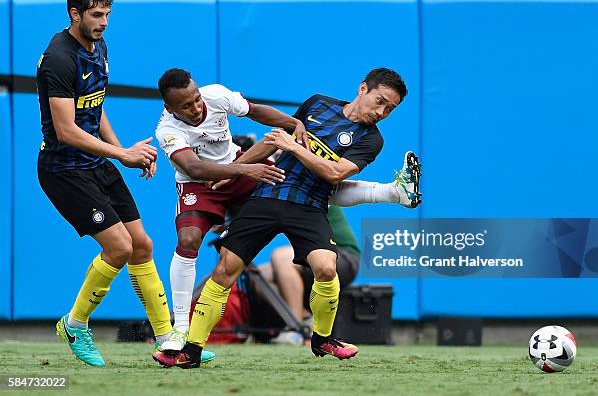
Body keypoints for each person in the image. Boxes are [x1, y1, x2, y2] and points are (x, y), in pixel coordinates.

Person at [152, 67, 412, 368]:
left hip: (310, 204)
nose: (382, 112)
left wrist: (292, 147)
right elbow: (273, 140)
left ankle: (322, 338)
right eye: (380, 101)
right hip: (269, 192)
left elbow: (335, 173)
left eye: (390, 109)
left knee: (327, 267)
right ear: (363, 89)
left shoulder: (372, 140)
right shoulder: (318, 103)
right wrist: (236, 171)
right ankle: (191, 348)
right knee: (225, 269)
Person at [36, 0, 181, 367]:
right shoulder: (60, 58)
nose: (103, 22)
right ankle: (74, 323)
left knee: (143, 245)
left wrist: (125, 151)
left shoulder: (98, 45)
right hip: (63, 169)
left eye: (107, 15)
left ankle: (167, 338)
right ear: (75, 13)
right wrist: (121, 154)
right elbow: (66, 131)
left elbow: (95, 111)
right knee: (118, 246)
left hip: (94, 162)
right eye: (96, 15)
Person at [154, 68, 307, 353]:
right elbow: (194, 168)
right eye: (186, 106)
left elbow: (254, 110)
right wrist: (245, 169)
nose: (197, 107)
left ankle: (384, 193)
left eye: (197, 99)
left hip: (237, 171)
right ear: (169, 107)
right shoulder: (167, 130)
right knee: (188, 240)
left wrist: (293, 123)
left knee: (295, 187)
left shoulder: (217, 95)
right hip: (200, 186)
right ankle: (181, 328)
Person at [260, 205, 360, 345]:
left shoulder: (307, 191)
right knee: (260, 275)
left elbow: (272, 217)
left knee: (281, 257)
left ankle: (296, 330)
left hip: (343, 257)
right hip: (315, 254)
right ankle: (306, 318)